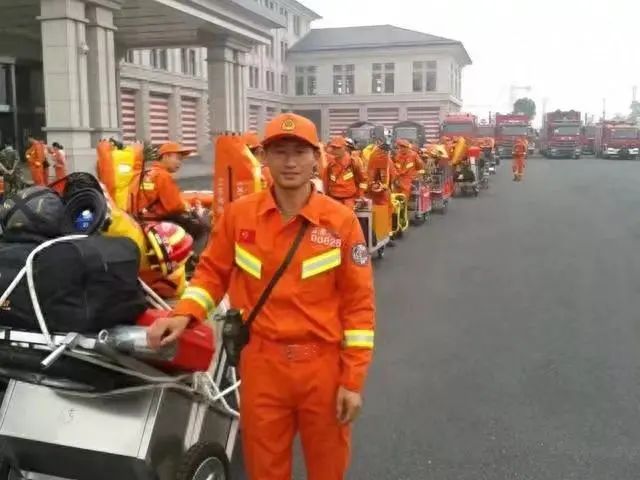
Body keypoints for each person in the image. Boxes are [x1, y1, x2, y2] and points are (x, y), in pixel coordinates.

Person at [148, 113, 376, 480]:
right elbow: (211, 274)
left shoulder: (341, 223)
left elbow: (359, 307)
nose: (290, 162)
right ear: (264, 158)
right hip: (261, 366)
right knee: (264, 470)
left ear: (315, 158)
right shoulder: (239, 216)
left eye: (299, 152)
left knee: (328, 470)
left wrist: (352, 381)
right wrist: (183, 313)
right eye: (280, 152)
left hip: (323, 368)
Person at [137, 141, 209, 251]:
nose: (179, 163)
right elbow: (174, 206)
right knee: (202, 229)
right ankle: (193, 257)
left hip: (143, 218)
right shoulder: (163, 176)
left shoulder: (148, 173)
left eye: (181, 160)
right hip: (160, 219)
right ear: (165, 156)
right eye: (177, 158)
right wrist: (188, 207)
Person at [323, 135, 368, 209]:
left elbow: (363, 180)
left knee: (348, 215)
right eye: (333, 147)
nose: (335, 150)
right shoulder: (330, 165)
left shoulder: (353, 163)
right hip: (334, 200)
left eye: (337, 148)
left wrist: (361, 194)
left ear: (344, 148)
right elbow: (326, 183)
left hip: (349, 200)